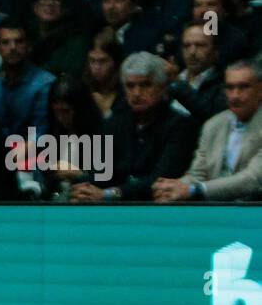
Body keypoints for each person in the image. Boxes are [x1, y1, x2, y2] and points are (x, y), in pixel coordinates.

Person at [71, 52, 196, 202]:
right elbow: (98, 174)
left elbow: (160, 181)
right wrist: (85, 189)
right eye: (130, 86)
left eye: (145, 85)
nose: (137, 93)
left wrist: (109, 194)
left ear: (162, 88)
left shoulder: (180, 125)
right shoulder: (114, 123)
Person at [154, 59, 262, 203]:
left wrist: (194, 190)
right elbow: (197, 175)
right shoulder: (213, 125)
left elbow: (253, 179)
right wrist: (173, 187)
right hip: (214, 213)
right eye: (230, 88)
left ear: (260, 90)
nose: (235, 95)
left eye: (243, 87)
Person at [0, 20, 54, 141]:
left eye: (18, 42)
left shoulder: (45, 84)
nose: (12, 47)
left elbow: (42, 134)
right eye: (5, 43)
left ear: (28, 46)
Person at [38, 75, 104, 201]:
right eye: (56, 112)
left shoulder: (101, 135)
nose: (60, 118)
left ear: (80, 109)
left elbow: (108, 180)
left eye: (65, 111)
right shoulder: (53, 132)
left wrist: (78, 174)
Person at [165, 23, 225, 125]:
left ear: (215, 51)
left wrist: (177, 85)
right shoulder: (172, 79)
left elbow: (212, 117)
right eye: (186, 46)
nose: (192, 52)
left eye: (200, 45)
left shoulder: (224, 83)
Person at [28, 0, 87, 79]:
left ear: (65, 7)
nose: (50, 3)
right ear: (35, 7)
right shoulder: (26, 37)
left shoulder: (76, 43)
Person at [85, 31, 123, 119]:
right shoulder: (84, 88)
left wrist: (106, 111)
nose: (96, 67)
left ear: (115, 62)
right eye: (92, 61)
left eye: (103, 61)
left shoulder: (125, 92)